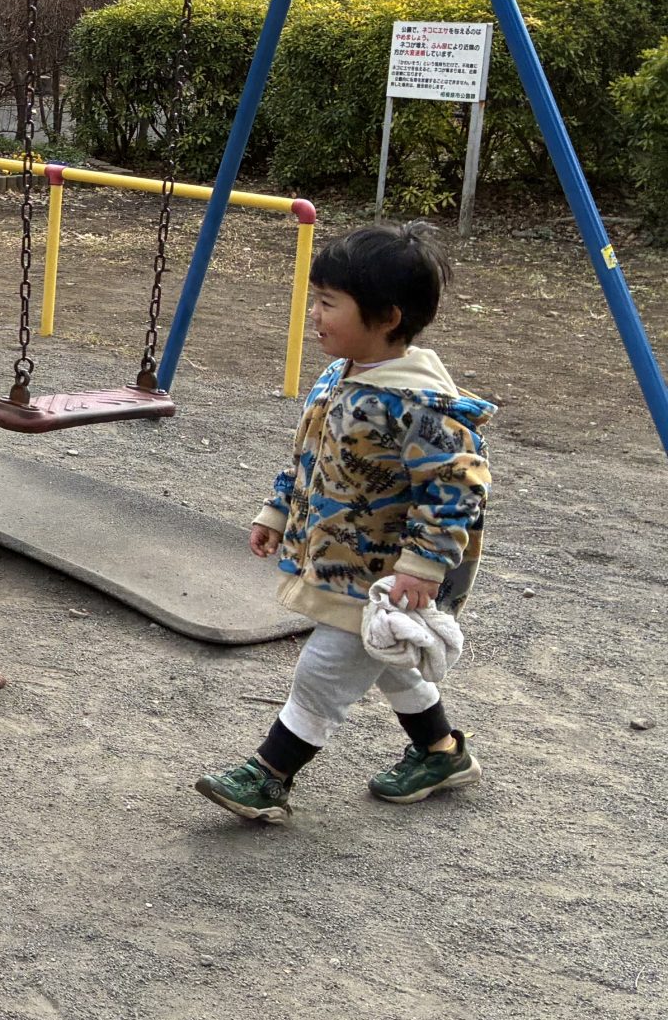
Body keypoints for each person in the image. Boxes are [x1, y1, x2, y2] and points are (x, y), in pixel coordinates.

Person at [197, 223, 493, 824]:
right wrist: (278, 510)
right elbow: (309, 454)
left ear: (387, 317)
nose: (315, 314)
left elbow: (459, 486)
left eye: (329, 303)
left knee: (324, 669)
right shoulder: (342, 375)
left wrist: (423, 566)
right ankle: (440, 752)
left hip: (387, 577)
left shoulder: (417, 406)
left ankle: (269, 774)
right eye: (317, 299)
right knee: (388, 659)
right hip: (345, 562)